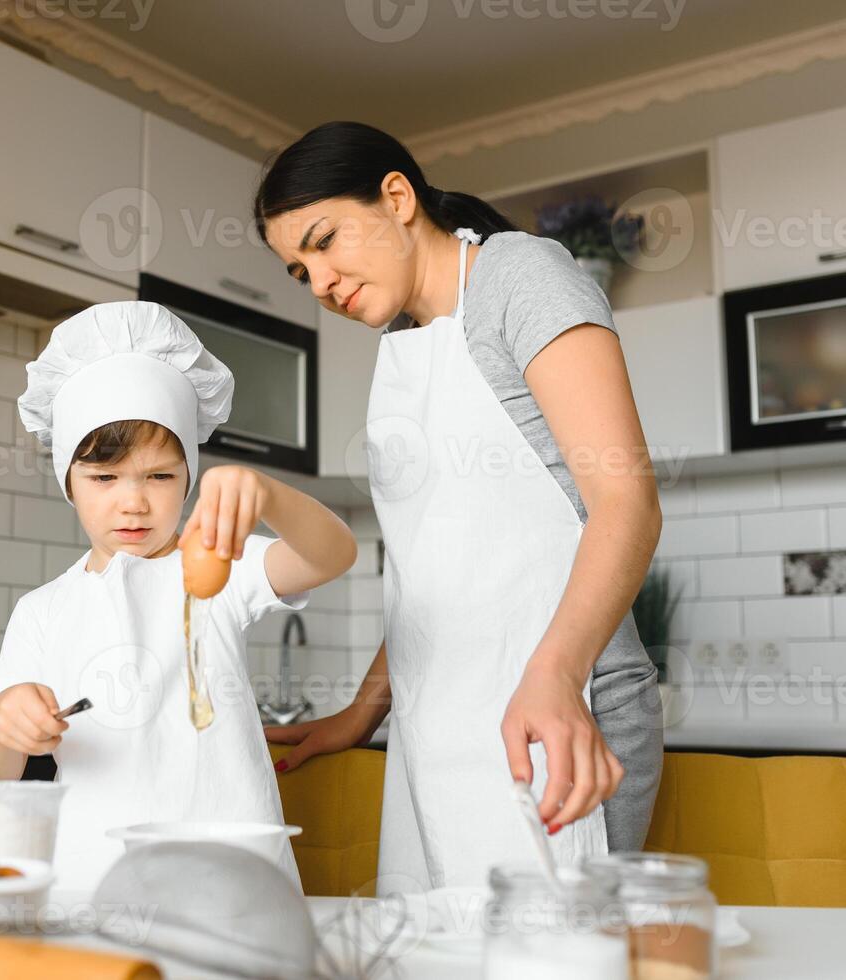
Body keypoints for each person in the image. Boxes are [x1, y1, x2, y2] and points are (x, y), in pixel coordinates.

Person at [255, 122, 664, 892]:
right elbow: (434, 573)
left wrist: (553, 673)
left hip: (561, 713)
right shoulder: (408, 350)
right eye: (297, 271)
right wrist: (361, 714)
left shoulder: (523, 277)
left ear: (397, 198)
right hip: (437, 731)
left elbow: (627, 503)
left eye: (325, 241)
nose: (320, 282)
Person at [0, 301, 358, 893]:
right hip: (89, 879)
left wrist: (267, 494)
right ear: (67, 482)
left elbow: (331, 556)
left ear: (190, 477)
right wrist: (3, 725)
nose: (134, 502)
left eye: (159, 476)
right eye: (104, 478)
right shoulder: (43, 610)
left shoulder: (217, 563)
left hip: (230, 876)